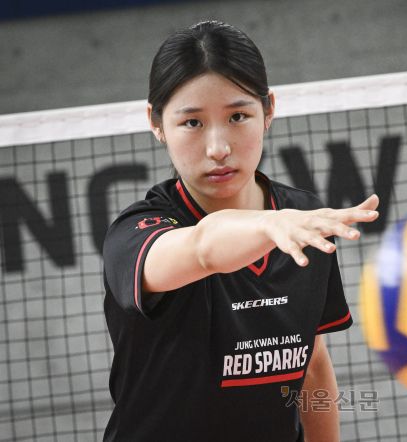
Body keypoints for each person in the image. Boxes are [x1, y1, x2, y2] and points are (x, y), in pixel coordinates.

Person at [102, 20, 379, 442]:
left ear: (268, 110)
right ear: (156, 123)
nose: (218, 148)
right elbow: (202, 249)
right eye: (192, 123)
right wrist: (268, 224)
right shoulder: (135, 234)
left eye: (237, 116)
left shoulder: (303, 219)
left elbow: (311, 364)